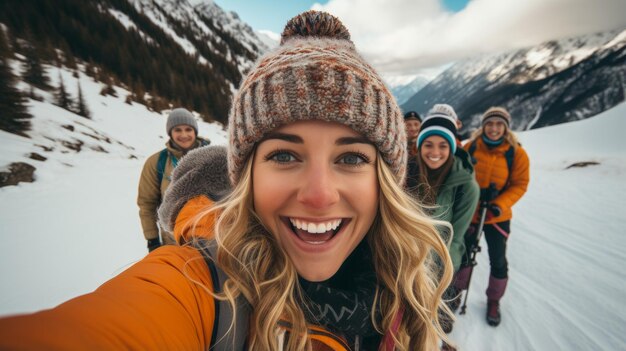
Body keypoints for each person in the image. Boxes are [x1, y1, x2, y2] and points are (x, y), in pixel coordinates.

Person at [0, 11, 455, 351]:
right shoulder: (202, 289)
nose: (319, 194)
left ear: (386, 183)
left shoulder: (408, 293)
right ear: (246, 177)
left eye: (352, 157)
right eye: (283, 154)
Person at [405, 109, 479, 343]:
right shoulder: (407, 172)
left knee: (428, 316)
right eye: (428, 144)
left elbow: (455, 237)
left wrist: (440, 273)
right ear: (419, 146)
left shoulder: (466, 185)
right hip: (405, 255)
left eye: (442, 146)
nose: (435, 152)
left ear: (452, 148)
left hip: (440, 260)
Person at [455, 106, 530, 327]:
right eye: (490, 123)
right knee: (464, 255)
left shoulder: (516, 153)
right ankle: (457, 291)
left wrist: (499, 204)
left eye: (499, 124)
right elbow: (460, 175)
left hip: (497, 216)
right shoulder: (471, 147)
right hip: (472, 212)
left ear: (506, 128)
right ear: (483, 125)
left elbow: (520, 184)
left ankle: (494, 300)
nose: (494, 128)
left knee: (498, 259)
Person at [137, 107, 209, 252]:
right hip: (174, 242)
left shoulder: (211, 157)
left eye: (188, 129)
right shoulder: (156, 162)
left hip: (211, 239)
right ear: (170, 133)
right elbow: (147, 204)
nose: (184, 134)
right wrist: (153, 241)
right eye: (178, 130)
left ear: (195, 131)